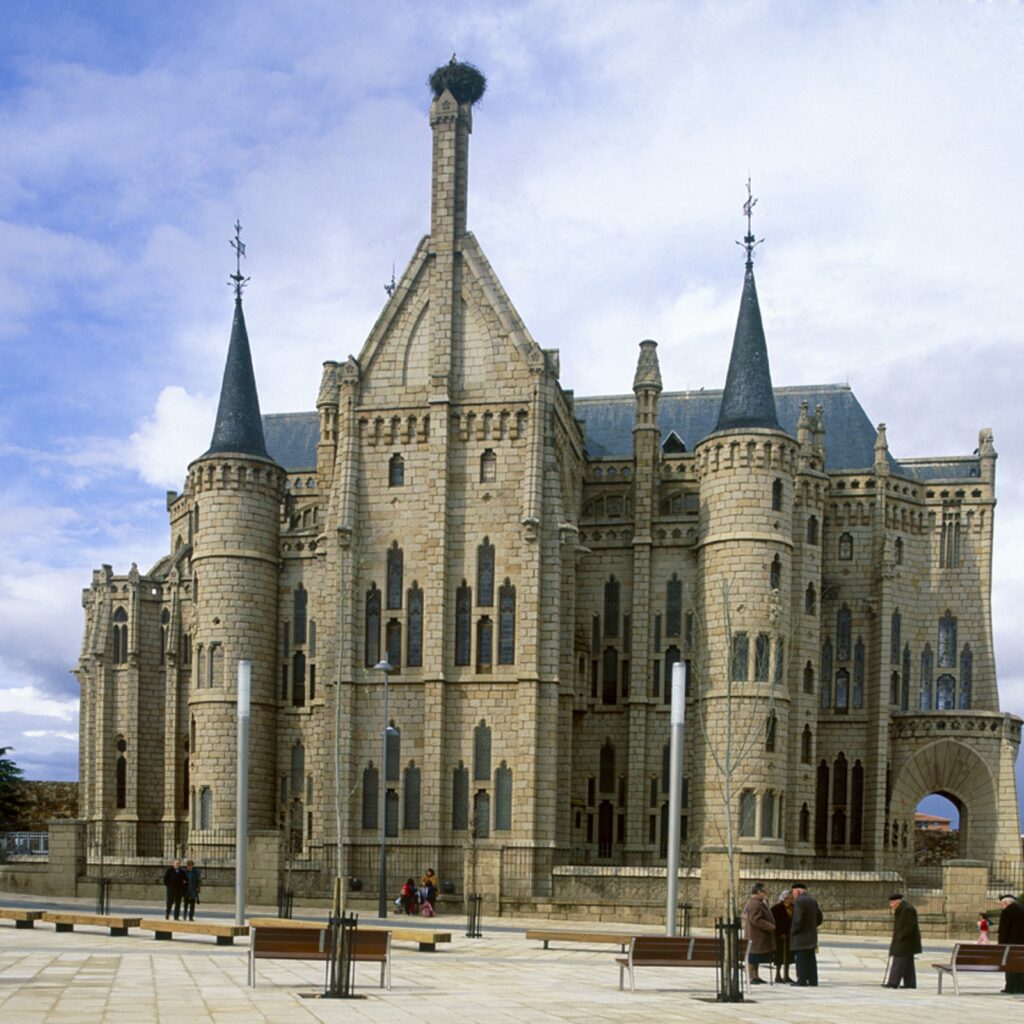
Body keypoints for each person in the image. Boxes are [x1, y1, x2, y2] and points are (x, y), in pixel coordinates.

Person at [789, 881, 823, 987]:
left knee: (801, 959)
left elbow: (797, 919)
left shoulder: (799, 901)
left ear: (798, 891)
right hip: (811, 934)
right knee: (810, 958)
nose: (793, 895)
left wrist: (794, 930)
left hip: (801, 936)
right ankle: (813, 980)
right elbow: (819, 917)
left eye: (793, 892)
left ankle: (802, 980)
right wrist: (813, 926)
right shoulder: (812, 900)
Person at [742, 882, 776, 985]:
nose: (766, 893)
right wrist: (770, 926)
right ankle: (751, 976)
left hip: (759, 935)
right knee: (753, 956)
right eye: (764, 891)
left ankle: (756, 976)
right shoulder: (754, 903)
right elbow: (755, 919)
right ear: (758, 892)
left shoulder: (760, 902)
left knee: (756, 956)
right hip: (756, 935)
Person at [885, 892, 921, 989]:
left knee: (898, 961)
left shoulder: (907, 909)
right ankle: (910, 983)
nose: (890, 905)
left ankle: (893, 982)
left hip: (906, 941)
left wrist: (901, 936)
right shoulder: (902, 908)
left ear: (897, 902)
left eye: (891, 903)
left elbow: (910, 926)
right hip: (906, 941)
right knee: (907, 963)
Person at [997, 893, 1024, 993]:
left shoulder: (1007, 911)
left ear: (1005, 903)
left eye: (1001, 904)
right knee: (1021, 964)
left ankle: (1011, 987)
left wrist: (1001, 946)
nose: (1001, 907)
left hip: (1011, 945)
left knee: (1010, 964)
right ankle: (1021, 987)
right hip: (1022, 945)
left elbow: (1003, 931)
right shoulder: (1022, 909)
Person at [771, 889, 795, 983]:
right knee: (779, 956)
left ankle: (786, 975)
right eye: (789, 897)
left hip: (790, 936)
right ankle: (778, 975)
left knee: (789, 956)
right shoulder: (777, 908)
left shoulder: (794, 907)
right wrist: (780, 933)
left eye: (792, 898)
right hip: (780, 936)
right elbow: (774, 922)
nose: (791, 899)